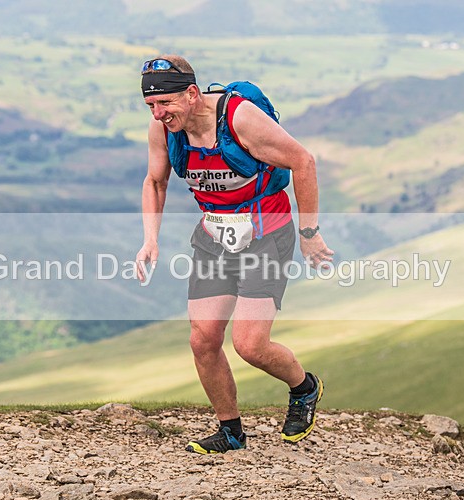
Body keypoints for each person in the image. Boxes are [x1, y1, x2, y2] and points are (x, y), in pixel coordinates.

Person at [135, 55, 334, 454]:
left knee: (250, 345)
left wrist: (310, 232)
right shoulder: (165, 130)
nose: (158, 114)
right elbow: (156, 181)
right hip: (214, 237)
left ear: (192, 94)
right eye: (151, 106)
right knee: (203, 339)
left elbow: (303, 161)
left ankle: (304, 386)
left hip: (267, 236)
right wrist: (150, 239)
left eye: (166, 104)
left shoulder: (239, 118)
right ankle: (230, 432)